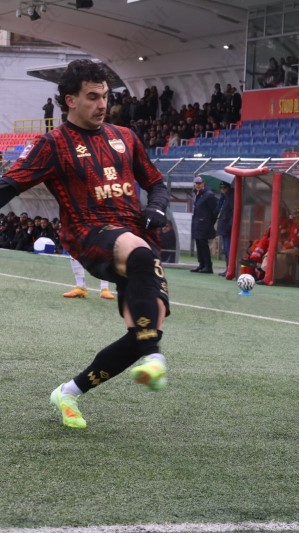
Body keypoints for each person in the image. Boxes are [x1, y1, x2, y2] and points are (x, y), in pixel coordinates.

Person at [0, 59, 171, 429]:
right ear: (70, 100)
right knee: (140, 263)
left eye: (105, 96)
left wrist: (157, 207)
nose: (102, 104)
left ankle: (69, 392)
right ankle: (155, 358)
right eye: (93, 97)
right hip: (89, 232)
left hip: (136, 237)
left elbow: (156, 182)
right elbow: (8, 186)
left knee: (143, 331)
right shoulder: (53, 144)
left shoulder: (125, 137)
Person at [190, 176, 218, 273]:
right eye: (196, 183)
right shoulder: (196, 194)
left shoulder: (209, 195)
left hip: (204, 224)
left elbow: (214, 211)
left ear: (203, 183)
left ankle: (208, 266)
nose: (198, 185)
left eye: (199, 183)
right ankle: (201, 264)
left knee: (203, 245)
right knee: (199, 244)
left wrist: (209, 222)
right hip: (197, 223)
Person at [216, 181, 234, 275]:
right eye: (221, 188)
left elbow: (233, 212)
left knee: (228, 249)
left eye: (224, 188)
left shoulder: (231, 197)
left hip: (227, 227)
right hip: (224, 226)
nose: (222, 190)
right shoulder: (224, 198)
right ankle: (228, 268)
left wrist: (230, 225)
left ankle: (230, 268)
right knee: (226, 249)